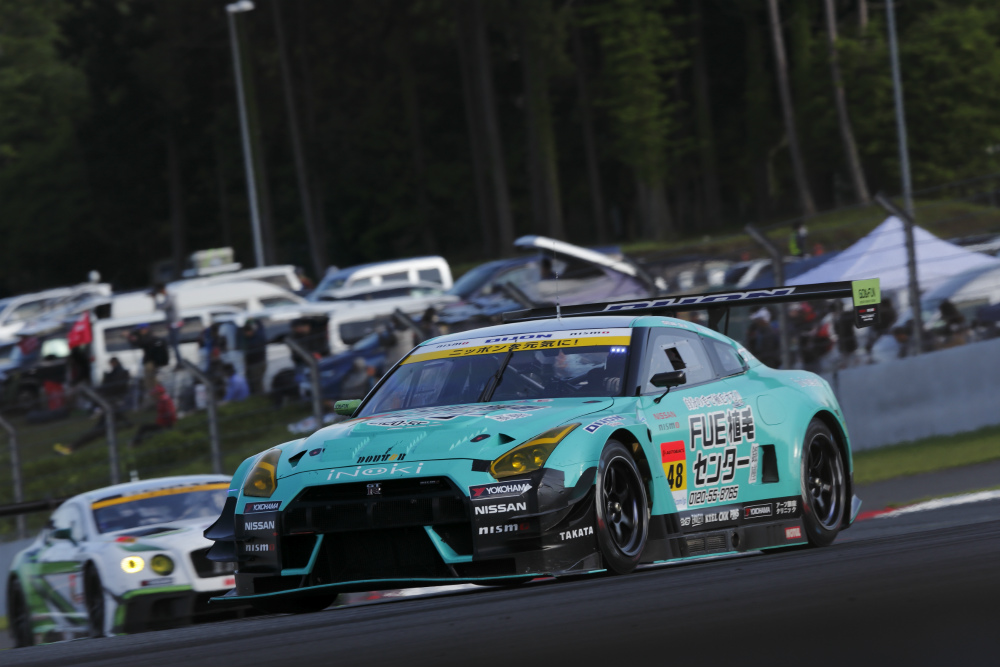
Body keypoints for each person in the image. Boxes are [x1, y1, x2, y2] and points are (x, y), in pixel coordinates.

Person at [54, 358, 133, 455]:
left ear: (114, 362)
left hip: (110, 409)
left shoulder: (118, 374)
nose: (110, 366)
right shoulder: (118, 373)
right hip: (110, 409)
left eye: (111, 364)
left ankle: (70, 448)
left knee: (95, 432)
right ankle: (70, 447)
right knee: (97, 429)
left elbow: (113, 387)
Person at [127, 324, 169, 404]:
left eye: (140, 330)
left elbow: (139, 343)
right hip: (152, 363)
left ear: (145, 329)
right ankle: (158, 401)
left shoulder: (149, 338)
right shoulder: (147, 337)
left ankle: (158, 401)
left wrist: (130, 336)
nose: (139, 332)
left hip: (151, 364)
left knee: (151, 383)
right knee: (151, 383)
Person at [151, 283, 181, 366]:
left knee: (174, 345)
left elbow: (160, 307)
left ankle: (180, 363)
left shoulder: (169, 298)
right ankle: (179, 362)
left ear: (162, 290)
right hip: (173, 324)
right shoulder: (169, 297)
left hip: (175, 324)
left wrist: (154, 299)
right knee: (173, 345)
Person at [241, 319, 267, 394]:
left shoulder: (253, 341)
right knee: (255, 383)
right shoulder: (259, 335)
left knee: (256, 384)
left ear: (249, 331)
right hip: (258, 363)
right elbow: (261, 327)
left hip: (256, 364)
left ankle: (259, 397)